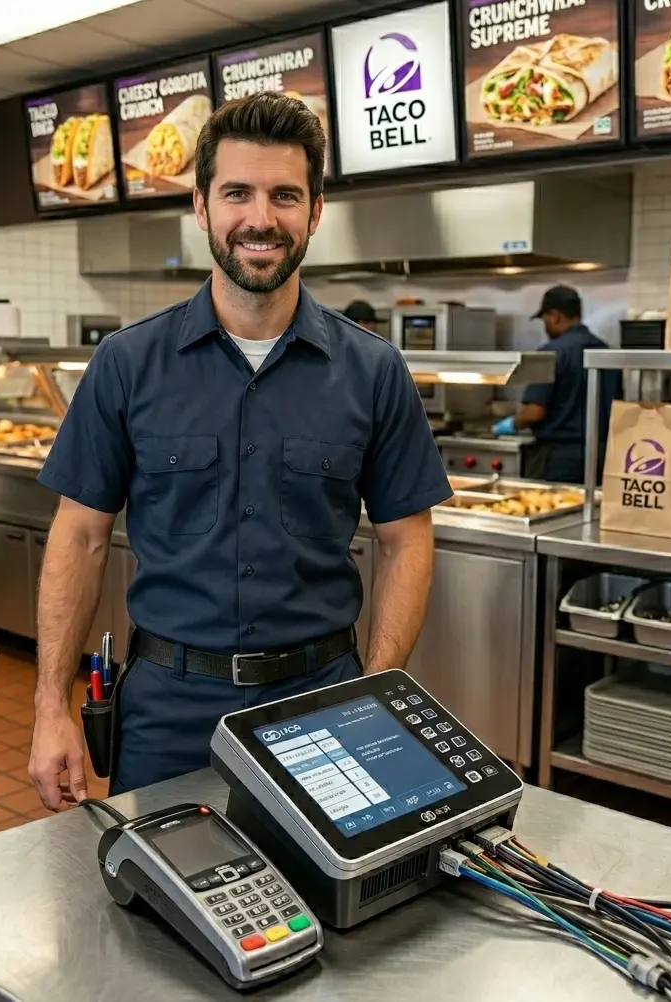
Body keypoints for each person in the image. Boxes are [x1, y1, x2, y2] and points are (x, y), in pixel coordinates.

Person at [30, 93, 452, 810]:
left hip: (322, 700)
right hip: (166, 710)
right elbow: (80, 536)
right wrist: (50, 708)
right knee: (161, 908)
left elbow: (407, 539)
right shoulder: (128, 364)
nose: (261, 218)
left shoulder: (374, 371)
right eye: (237, 193)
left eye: (285, 195)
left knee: (327, 904)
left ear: (315, 212)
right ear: (201, 207)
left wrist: (375, 690)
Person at [492, 285, 622, 483]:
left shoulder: (551, 353)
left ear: (555, 316)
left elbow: (534, 412)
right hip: (603, 456)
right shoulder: (606, 351)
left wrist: (510, 425)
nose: (545, 326)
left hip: (559, 458)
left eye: (545, 320)